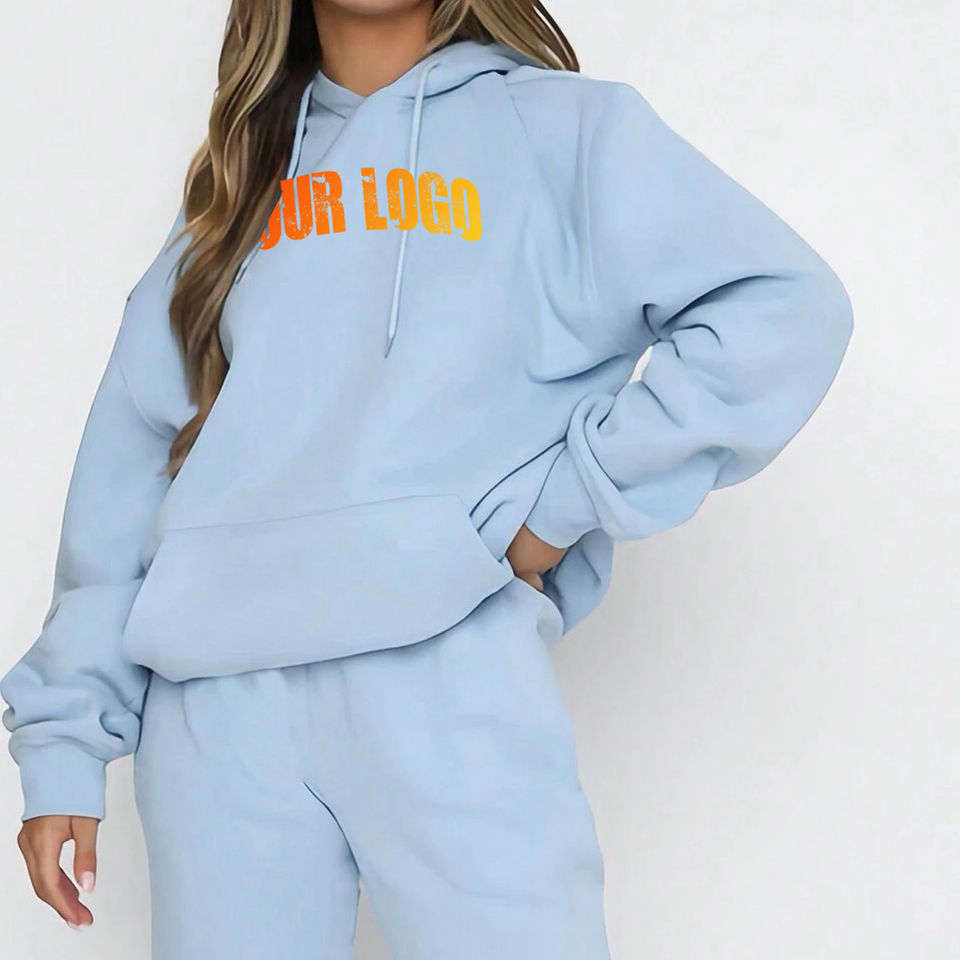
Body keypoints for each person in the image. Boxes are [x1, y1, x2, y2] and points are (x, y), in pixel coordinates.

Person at [0, 1, 854, 957]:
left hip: (446, 666)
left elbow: (784, 307)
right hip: (216, 710)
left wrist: (563, 507)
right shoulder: (238, 185)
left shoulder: (563, 133)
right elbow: (125, 470)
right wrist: (64, 737)